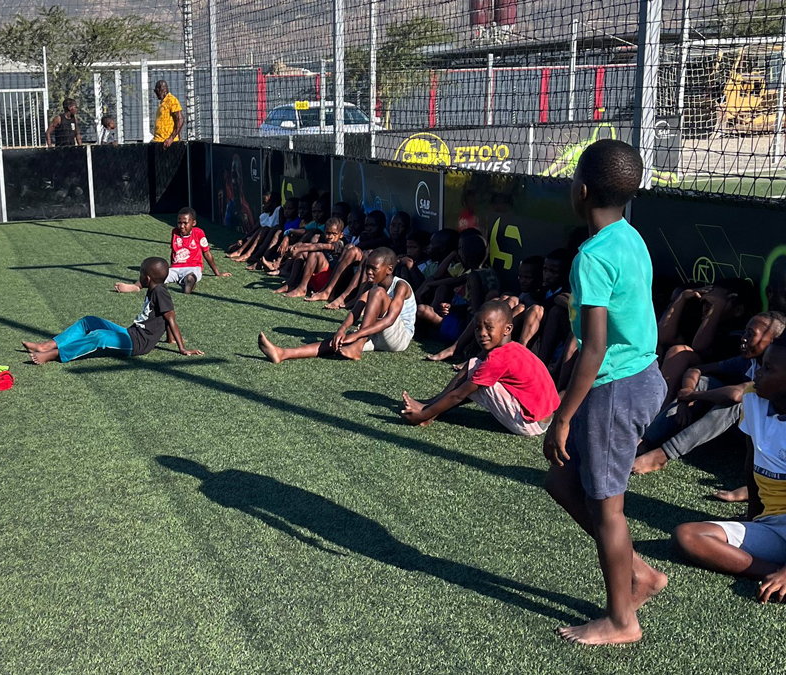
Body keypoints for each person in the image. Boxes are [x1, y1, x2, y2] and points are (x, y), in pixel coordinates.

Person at [542, 139, 666, 646]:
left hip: (615, 388)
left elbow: (592, 349)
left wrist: (563, 416)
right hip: (641, 378)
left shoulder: (592, 256)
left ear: (582, 190)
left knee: (608, 510)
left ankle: (622, 620)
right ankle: (640, 573)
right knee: (563, 484)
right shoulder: (629, 237)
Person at [672, 336, 786, 604]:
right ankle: (773, 573)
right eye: (761, 365)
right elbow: (752, 461)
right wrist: (752, 518)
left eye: (768, 369)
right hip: (772, 526)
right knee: (688, 537)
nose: (757, 372)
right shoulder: (752, 398)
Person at [632, 312, 786, 475]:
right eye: (745, 332)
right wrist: (687, 394)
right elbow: (696, 370)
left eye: (751, 334)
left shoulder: (778, 371)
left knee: (737, 404)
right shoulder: (746, 362)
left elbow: (736, 394)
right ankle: (647, 441)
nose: (744, 338)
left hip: (764, 438)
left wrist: (691, 396)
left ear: (773, 341)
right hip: (742, 430)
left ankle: (663, 454)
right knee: (705, 382)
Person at [401, 301, 559, 436]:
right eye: (477, 328)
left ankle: (429, 411)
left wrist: (422, 416)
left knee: (476, 381)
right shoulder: (514, 348)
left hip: (531, 424)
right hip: (544, 418)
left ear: (507, 329)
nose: (482, 334)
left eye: (489, 328)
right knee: (474, 365)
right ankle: (432, 405)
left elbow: (459, 395)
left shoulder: (498, 359)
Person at [25, 257, 203, 364]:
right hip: (130, 332)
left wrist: (182, 348)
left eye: (141, 273)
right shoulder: (153, 288)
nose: (139, 276)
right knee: (89, 321)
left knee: (100, 337)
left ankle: (55, 354)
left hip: (137, 344)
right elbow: (163, 318)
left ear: (147, 278)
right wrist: (168, 339)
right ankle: (47, 345)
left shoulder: (160, 292)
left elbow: (170, 318)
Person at [258, 248, 415, 363]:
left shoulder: (401, 286)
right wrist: (342, 329)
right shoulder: (371, 285)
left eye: (373, 268)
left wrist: (358, 335)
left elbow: (389, 320)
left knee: (377, 293)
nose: (368, 272)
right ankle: (283, 353)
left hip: (399, 338)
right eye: (366, 267)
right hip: (375, 334)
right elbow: (356, 311)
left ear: (389, 269)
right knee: (335, 342)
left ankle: (357, 346)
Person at [115, 207, 230, 295]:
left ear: (193, 223)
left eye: (185, 223)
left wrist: (217, 273)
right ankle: (135, 286)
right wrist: (169, 268)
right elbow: (173, 252)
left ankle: (189, 284)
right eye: (179, 222)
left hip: (193, 267)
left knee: (191, 276)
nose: (182, 226)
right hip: (175, 268)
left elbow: (207, 254)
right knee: (154, 276)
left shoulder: (199, 233)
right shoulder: (174, 232)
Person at [273, 218, 346, 298]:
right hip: (316, 278)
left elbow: (319, 246)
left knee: (315, 254)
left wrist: (299, 248)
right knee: (303, 253)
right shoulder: (322, 238)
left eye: (334, 234)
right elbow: (309, 245)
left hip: (327, 280)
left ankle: (302, 288)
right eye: (328, 233)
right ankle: (291, 283)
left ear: (341, 234)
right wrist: (294, 248)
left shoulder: (339, 244)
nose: (330, 237)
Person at [152, 80, 183, 148]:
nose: (155, 93)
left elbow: (179, 120)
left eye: (155, 91)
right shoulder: (162, 103)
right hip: (158, 141)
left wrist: (171, 138)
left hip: (167, 143)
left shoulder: (172, 100)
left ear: (160, 90)